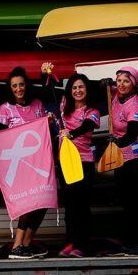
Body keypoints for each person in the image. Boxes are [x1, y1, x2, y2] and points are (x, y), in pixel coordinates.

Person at [0, 64, 55, 259]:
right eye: (14, 86)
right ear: (10, 88)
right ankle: (16, 246)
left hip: (39, 163)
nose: (18, 89)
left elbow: (44, 130)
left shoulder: (37, 104)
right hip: (18, 166)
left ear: (26, 85)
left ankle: (27, 244)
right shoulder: (5, 108)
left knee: (43, 201)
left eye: (21, 85)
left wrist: (48, 121)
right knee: (28, 203)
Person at [103, 66, 138, 256]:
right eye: (119, 81)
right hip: (120, 159)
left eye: (126, 81)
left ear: (133, 83)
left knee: (137, 202)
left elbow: (133, 132)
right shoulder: (116, 96)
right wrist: (106, 84)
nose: (121, 84)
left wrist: (118, 141)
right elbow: (110, 89)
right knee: (126, 202)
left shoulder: (135, 103)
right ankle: (130, 241)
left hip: (135, 158)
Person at [57, 73, 101, 258]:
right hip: (65, 161)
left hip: (83, 162)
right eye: (74, 87)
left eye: (81, 87)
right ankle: (71, 242)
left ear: (87, 89)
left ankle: (82, 245)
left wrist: (71, 134)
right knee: (69, 205)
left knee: (81, 205)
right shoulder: (63, 108)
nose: (77, 90)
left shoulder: (92, 111)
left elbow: (88, 126)